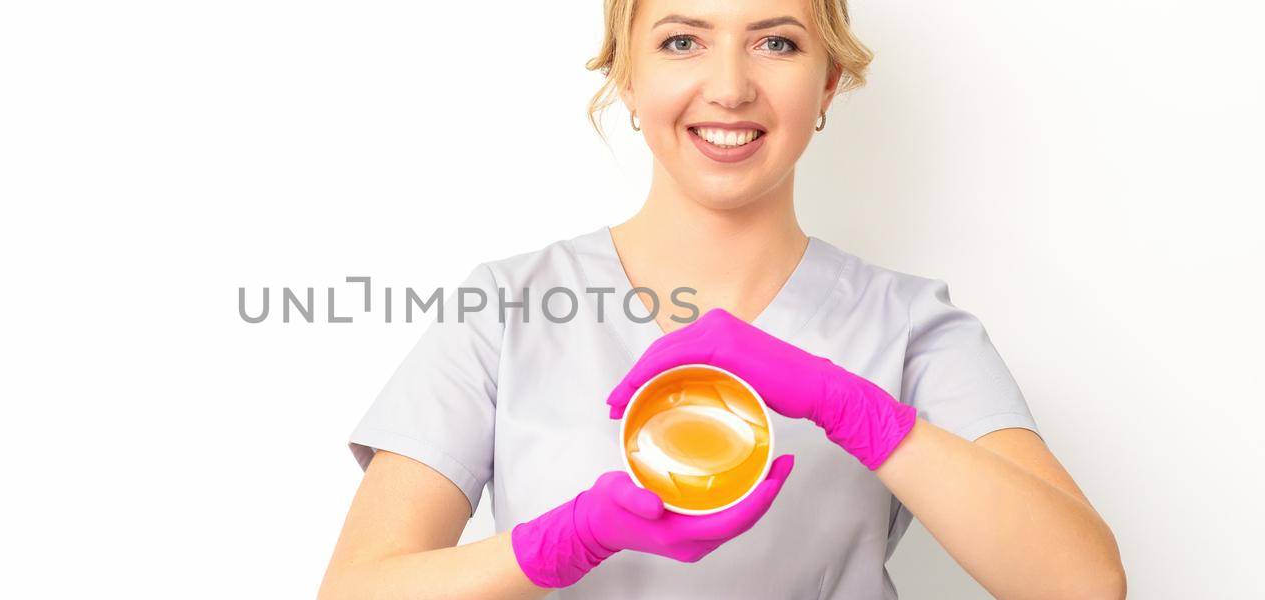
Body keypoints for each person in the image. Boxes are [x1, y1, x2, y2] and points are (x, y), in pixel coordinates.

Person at [318, 0, 1125, 598]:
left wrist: (853, 408)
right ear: (627, 79)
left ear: (829, 84)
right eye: (681, 41)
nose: (731, 87)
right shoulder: (506, 309)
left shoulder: (910, 327)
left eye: (777, 42)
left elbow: (1083, 584)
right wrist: (557, 545)